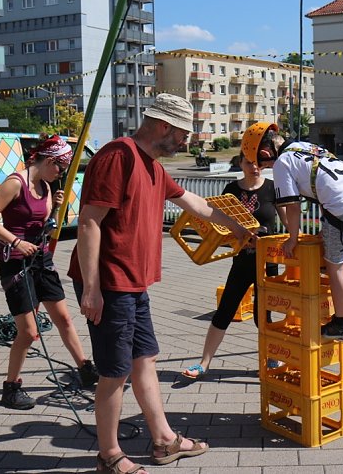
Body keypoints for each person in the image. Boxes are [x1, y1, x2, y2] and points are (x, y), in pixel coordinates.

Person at [68, 93, 253, 474]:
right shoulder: (118, 156)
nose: (187, 143)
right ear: (165, 127)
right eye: (184, 134)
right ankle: (109, 456)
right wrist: (91, 288)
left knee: (144, 360)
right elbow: (89, 222)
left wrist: (238, 227)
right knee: (115, 372)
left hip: (135, 283)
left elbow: (195, 204)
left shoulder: (153, 166)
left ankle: (164, 440)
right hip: (111, 283)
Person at [0, 135, 99, 411]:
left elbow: (44, 225)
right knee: (29, 331)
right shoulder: (15, 183)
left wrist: (56, 206)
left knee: (64, 318)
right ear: (48, 160)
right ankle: (11, 388)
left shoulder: (46, 186)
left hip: (41, 260)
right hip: (16, 263)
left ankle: (85, 368)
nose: (61, 173)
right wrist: (15, 241)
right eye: (60, 167)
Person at [240, 122, 343, 343]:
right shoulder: (304, 147)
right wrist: (325, 229)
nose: (263, 168)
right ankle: (337, 305)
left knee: (335, 268)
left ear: (265, 153)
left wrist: (293, 239)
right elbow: (320, 187)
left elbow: (292, 207)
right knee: (332, 252)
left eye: (262, 164)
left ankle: (342, 324)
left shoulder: (282, 163)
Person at [182, 152, 288, 379]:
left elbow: (288, 224)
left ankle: (271, 358)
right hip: (241, 260)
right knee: (225, 311)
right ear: (240, 163)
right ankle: (204, 363)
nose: (255, 167)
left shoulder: (272, 188)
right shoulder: (231, 190)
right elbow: (219, 227)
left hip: (267, 262)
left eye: (258, 163)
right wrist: (237, 236)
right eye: (249, 162)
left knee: (263, 316)